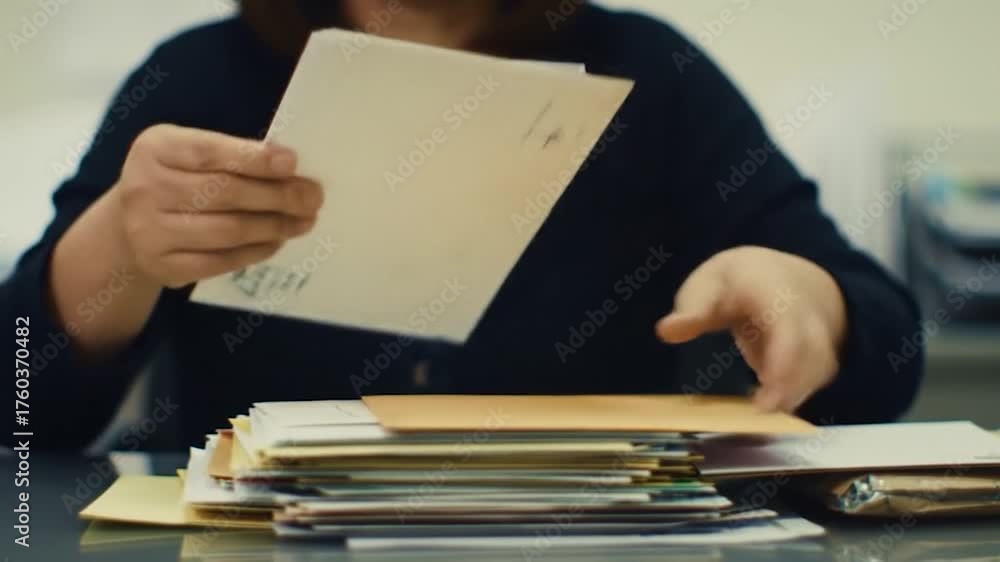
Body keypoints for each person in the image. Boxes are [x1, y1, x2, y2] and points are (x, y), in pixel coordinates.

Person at [1, 0, 924, 450]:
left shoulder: (653, 73)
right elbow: (17, 410)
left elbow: (888, 357)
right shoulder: (202, 76)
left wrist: (813, 300)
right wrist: (121, 246)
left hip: (584, 536)